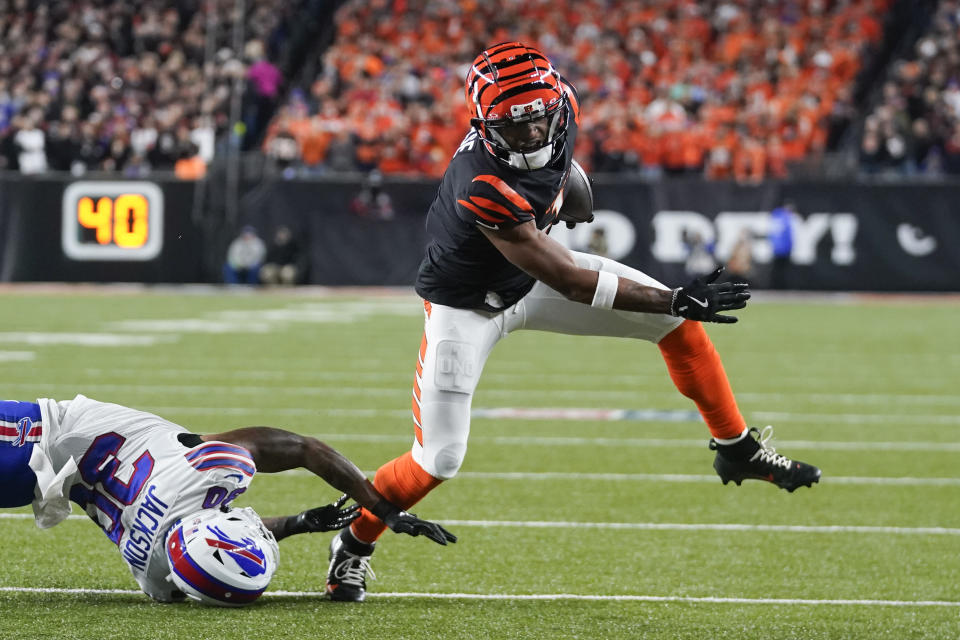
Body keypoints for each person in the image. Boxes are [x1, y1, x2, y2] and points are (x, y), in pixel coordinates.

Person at [323, 42, 821, 603]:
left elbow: (565, 172)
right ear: (484, 127)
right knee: (439, 458)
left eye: (542, 119)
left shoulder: (561, 114)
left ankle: (737, 448)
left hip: (528, 275)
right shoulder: (481, 181)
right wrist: (675, 297)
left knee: (677, 331)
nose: (535, 134)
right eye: (519, 128)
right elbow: (569, 280)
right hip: (470, 306)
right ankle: (354, 544)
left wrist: (575, 196)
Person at [0, 395, 455, 606]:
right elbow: (205, 541)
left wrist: (385, 509)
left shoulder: (209, 470)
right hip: (49, 468)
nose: (257, 523)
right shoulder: (157, 576)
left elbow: (303, 449)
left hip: (48, 434)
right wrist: (298, 522)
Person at [768, 201, 795, 289]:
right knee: (782, 270)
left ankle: (774, 286)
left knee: (776, 269)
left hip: (776, 248)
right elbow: (788, 235)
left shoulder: (775, 217)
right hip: (784, 249)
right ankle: (781, 286)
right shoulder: (785, 218)